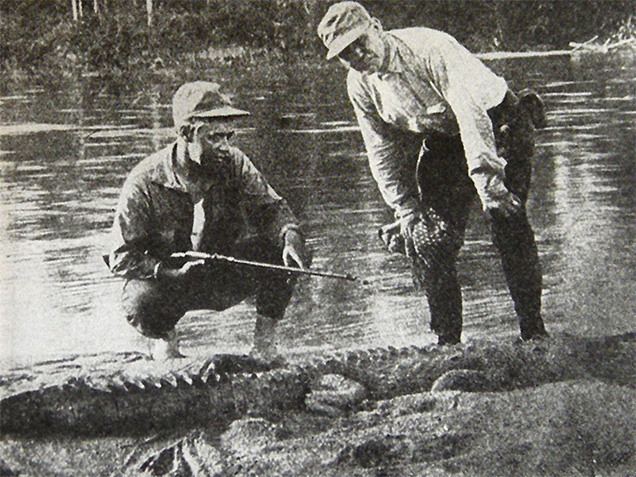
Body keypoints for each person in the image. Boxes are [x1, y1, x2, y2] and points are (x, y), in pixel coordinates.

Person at [318, 2, 548, 345]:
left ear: (377, 28)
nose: (357, 55)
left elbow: (472, 117)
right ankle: (447, 341)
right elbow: (380, 148)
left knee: (506, 222)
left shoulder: (430, 48)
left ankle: (534, 333)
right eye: (345, 53)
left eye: (360, 42)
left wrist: (488, 186)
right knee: (428, 238)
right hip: (444, 139)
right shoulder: (360, 85)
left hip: (500, 123)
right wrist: (405, 208)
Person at [105, 81, 308, 360]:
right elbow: (119, 256)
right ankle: (167, 343)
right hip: (171, 281)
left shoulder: (235, 163)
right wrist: (168, 272)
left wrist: (290, 237)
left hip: (221, 271)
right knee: (141, 300)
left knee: (283, 252)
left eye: (229, 136)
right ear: (185, 133)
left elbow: (271, 209)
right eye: (214, 138)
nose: (225, 147)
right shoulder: (145, 181)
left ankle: (264, 345)